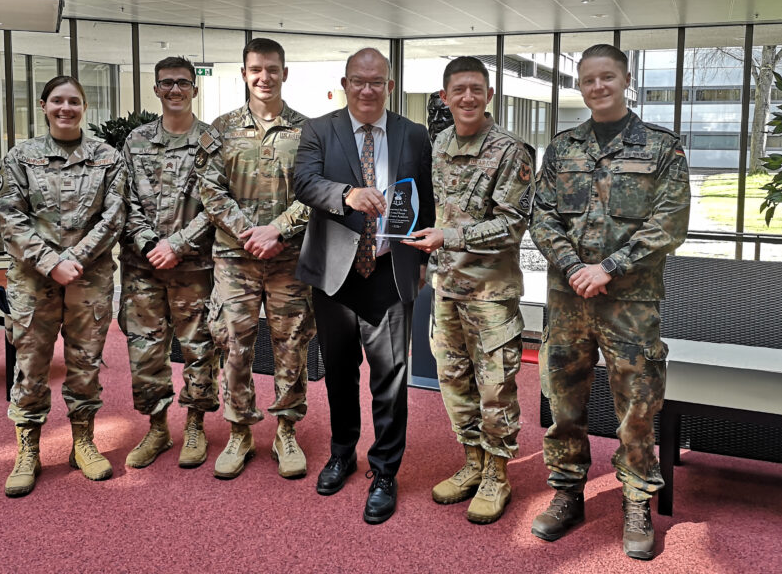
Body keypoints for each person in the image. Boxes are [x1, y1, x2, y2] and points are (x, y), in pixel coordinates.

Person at [529, 44, 690, 560]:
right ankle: (567, 493)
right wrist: (576, 268)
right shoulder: (561, 149)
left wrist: (609, 268)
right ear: (580, 85)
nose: (598, 87)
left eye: (608, 78)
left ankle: (638, 501)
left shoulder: (662, 148)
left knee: (637, 408)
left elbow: (670, 222)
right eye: (589, 80)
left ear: (626, 80)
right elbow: (542, 216)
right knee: (564, 405)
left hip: (631, 304)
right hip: (568, 301)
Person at [294, 47, 435, 524]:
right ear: (345, 83)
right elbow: (304, 182)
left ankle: (385, 472)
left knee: (390, 381)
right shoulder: (318, 129)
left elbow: (425, 198)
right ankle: (341, 453)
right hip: (335, 276)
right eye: (359, 81)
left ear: (390, 86)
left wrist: (420, 262)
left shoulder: (413, 133)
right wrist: (347, 195)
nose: (368, 90)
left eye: (377, 82)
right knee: (337, 373)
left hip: (391, 274)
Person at [404, 56, 534, 525]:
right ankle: (473, 463)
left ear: (489, 95)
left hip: (491, 294)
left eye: (476, 89)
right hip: (447, 287)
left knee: (495, 387)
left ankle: (498, 473)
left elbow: (514, 224)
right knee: (454, 381)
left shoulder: (510, 150)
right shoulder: (437, 144)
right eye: (458, 90)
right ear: (444, 96)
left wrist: (450, 237)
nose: (467, 98)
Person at [0, 76, 127, 498]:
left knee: (85, 363)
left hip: (89, 278)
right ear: (44, 105)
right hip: (33, 279)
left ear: (84, 107)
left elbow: (114, 216)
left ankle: (83, 442)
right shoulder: (22, 156)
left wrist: (76, 259)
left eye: (73, 102)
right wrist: (51, 263)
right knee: (31, 365)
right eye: (57, 101)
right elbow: (9, 216)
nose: (65, 108)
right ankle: (28, 449)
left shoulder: (107, 157)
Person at [196, 38, 314, 481]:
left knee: (291, 345)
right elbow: (210, 190)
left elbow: (315, 192)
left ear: (285, 73)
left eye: (272, 68)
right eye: (255, 69)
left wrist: (278, 230)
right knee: (233, 345)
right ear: (243, 74)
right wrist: (250, 234)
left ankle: (286, 430)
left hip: (289, 258)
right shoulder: (220, 128)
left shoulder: (308, 130)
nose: (264, 77)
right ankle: (240, 430)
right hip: (235, 258)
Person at [118, 56, 219, 470]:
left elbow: (217, 204)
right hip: (142, 267)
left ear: (194, 89)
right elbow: (122, 201)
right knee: (146, 351)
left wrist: (176, 244)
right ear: (156, 89)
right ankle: (157, 428)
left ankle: (195, 425)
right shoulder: (135, 140)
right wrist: (148, 244)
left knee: (199, 348)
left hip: (193, 267)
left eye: (182, 83)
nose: (174, 90)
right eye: (166, 84)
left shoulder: (212, 140)